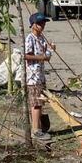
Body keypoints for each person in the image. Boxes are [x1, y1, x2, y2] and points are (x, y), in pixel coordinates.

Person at [24, 13, 55, 142]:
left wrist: (50, 50)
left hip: (40, 76)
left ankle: (39, 126)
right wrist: (41, 57)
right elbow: (26, 55)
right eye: (39, 23)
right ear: (33, 25)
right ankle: (36, 130)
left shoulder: (42, 38)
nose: (42, 26)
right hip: (33, 77)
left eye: (43, 23)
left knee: (40, 103)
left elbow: (46, 56)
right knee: (36, 104)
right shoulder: (30, 38)